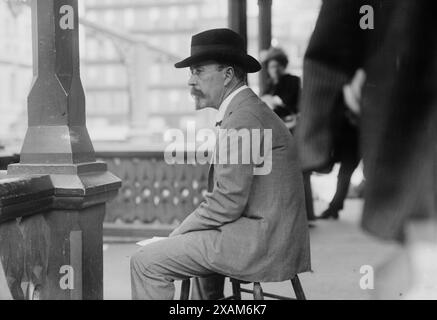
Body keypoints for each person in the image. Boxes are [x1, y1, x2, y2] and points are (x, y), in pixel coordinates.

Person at [130, 28, 311, 300]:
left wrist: (177, 234)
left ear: (227, 75)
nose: (190, 82)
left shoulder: (243, 118)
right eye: (191, 73)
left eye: (199, 71)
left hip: (261, 242)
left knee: (146, 262)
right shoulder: (249, 110)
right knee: (193, 245)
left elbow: (227, 201)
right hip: (272, 233)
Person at [297, 0, 437, 298]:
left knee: (410, 272)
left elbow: (329, 48)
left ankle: (336, 206)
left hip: (406, 119)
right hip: (402, 124)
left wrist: (314, 136)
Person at [261, 47, 316, 222]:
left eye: (277, 65)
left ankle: (306, 214)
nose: (274, 69)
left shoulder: (292, 80)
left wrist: (275, 102)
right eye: (271, 66)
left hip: (293, 130)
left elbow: (293, 104)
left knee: (299, 171)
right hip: (277, 130)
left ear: (283, 65)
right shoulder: (270, 84)